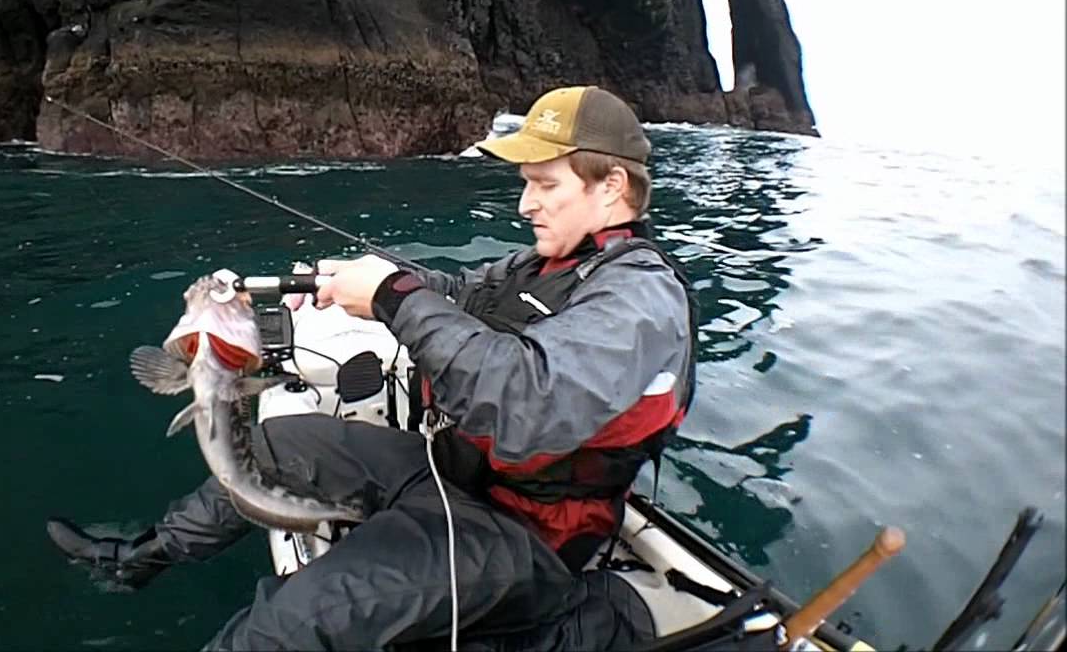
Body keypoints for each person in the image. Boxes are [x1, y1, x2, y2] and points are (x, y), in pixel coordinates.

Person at [47, 85, 697, 651]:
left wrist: (392, 296)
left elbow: (526, 405)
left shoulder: (640, 297)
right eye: (526, 184)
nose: (525, 205)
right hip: (449, 474)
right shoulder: (541, 266)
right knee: (273, 442)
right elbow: (452, 290)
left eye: (545, 184)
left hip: (528, 535)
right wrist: (338, 282)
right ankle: (141, 558)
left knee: (289, 625)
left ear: (612, 186)